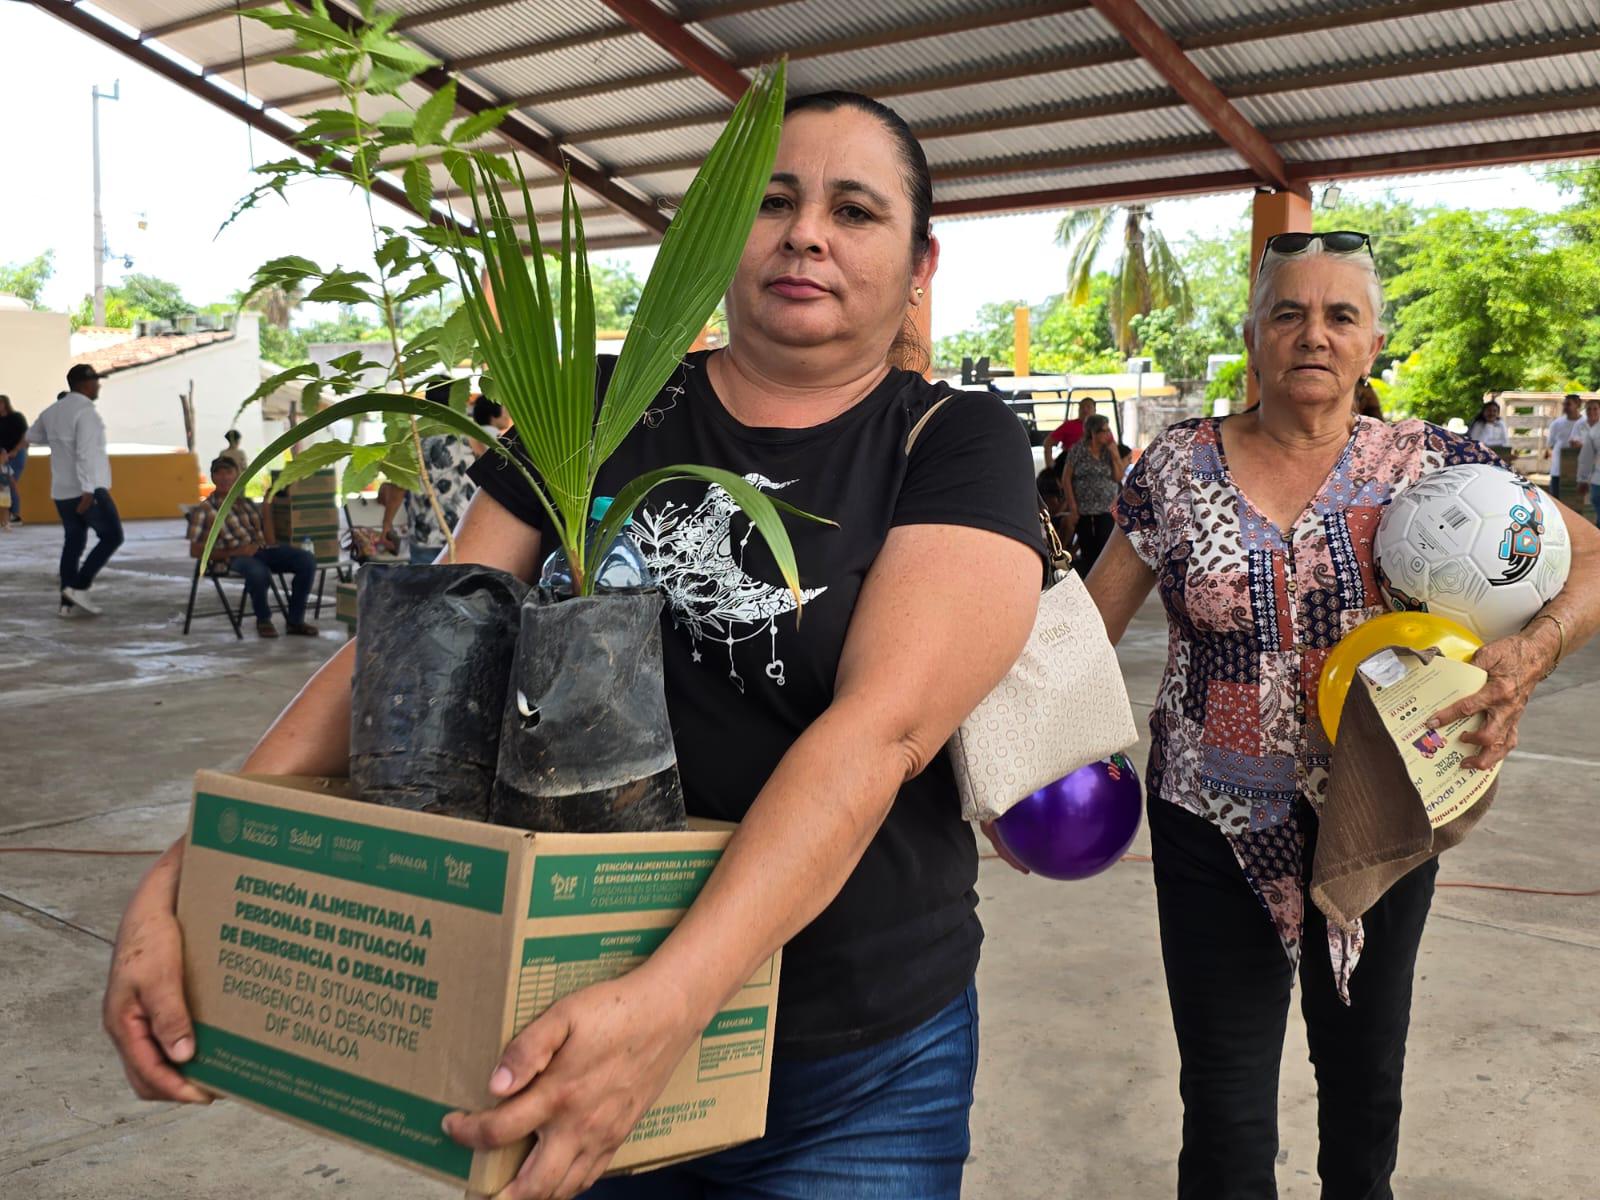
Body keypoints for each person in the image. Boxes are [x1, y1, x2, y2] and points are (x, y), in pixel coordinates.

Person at [103, 89, 1045, 1200]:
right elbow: (406, 660)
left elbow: (879, 732)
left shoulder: (953, 440)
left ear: (919, 258)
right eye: (771, 201)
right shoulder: (601, 409)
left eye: (855, 210)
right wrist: (193, 869)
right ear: (710, 240)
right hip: (563, 1015)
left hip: (850, 1061)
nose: (805, 233)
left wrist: (667, 1009)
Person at [1080, 231, 1600, 1199]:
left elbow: (1592, 557)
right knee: (1225, 1114)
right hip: (1209, 826)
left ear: (1370, 347)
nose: (1311, 335)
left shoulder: (1438, 469)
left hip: (1379, 816)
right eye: (1287, 313)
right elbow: (1081, 632)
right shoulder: (1177, 468)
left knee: (1362, 1097)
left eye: (1339, 316)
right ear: (1252, 339)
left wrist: (1528, 654)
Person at [26, 364, 123, 617]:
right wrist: (89, 491)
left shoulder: (52, 411)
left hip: (62, 491)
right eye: (96, 382)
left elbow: (32, 436)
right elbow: (85, 454)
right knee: (112, 536)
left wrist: (59, 439)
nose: (99, 386)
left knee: (74, 543)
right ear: (84, 384)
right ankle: (79, 587)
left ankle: (66, 605)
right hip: (87, 491)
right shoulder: (86, 413)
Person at [187, 458, 320, 638]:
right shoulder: (205, 509)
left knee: (306, 560)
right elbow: (195, 551)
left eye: (229, 472)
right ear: (213, 477)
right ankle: (263, 619)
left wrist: (266, 506)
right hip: (232, 557)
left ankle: (295, 621)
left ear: (237, 477)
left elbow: (270, 540)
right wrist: (236, 551)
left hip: (261, 550)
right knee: (258, 571)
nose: (224, 477)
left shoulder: (246, 504)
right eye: (219, 473)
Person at [386, 383, 479, 565]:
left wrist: (386, 524)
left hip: (425, 534)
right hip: (464, 532)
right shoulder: (472, 432)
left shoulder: (413, 435)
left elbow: (400, 486)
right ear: (456, 399)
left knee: (426, 591)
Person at [1059, 412, 1125, 577]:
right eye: (1104, 431)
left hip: (1106, 508)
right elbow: (1066, 479)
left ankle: (1103, 582)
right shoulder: (1078, 450)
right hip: (1084, 508)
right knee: (1088, 548)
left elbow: (1118, 477)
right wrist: (1073, 506)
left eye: (1109, 430)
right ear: (1093, 433)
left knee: (1104, 547)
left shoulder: (1109, 450)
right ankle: (1089, 584)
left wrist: (1115, 455)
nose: (1108, 434)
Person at [1544, 393, 1584, 498]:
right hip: (1558, 470)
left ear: (1578, 405)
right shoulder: (1556, 424)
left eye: (1568, 404)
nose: (1565, 407)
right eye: (1564, 404)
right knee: (1557, 500)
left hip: (1580, 471)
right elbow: (1551, 445)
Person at [1042, 396, 1096, 471]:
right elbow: (1048, 443)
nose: (1085, 410)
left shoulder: (1100, 426)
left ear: (1095, 410)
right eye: (1082, 407)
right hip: (1071, 464)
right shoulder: (1068, 426)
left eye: (1088, 407)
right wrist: (1050, 466)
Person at [0, 394, 28, 522]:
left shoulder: (16, 417)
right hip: (3, 455)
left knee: (11, 482)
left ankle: (15, 514)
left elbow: (25, 436)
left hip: (17, 453)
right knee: (3, 484)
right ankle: (6, 516)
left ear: (5, 404)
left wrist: (16, 450)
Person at [1577, 397, 1600, 522]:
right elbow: (1586, 458)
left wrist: (1583, 480)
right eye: (1589, 409)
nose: (1592, 412)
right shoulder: (1589, 430)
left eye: (1595, 409)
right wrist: (1583, 480)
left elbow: (1587, 457)